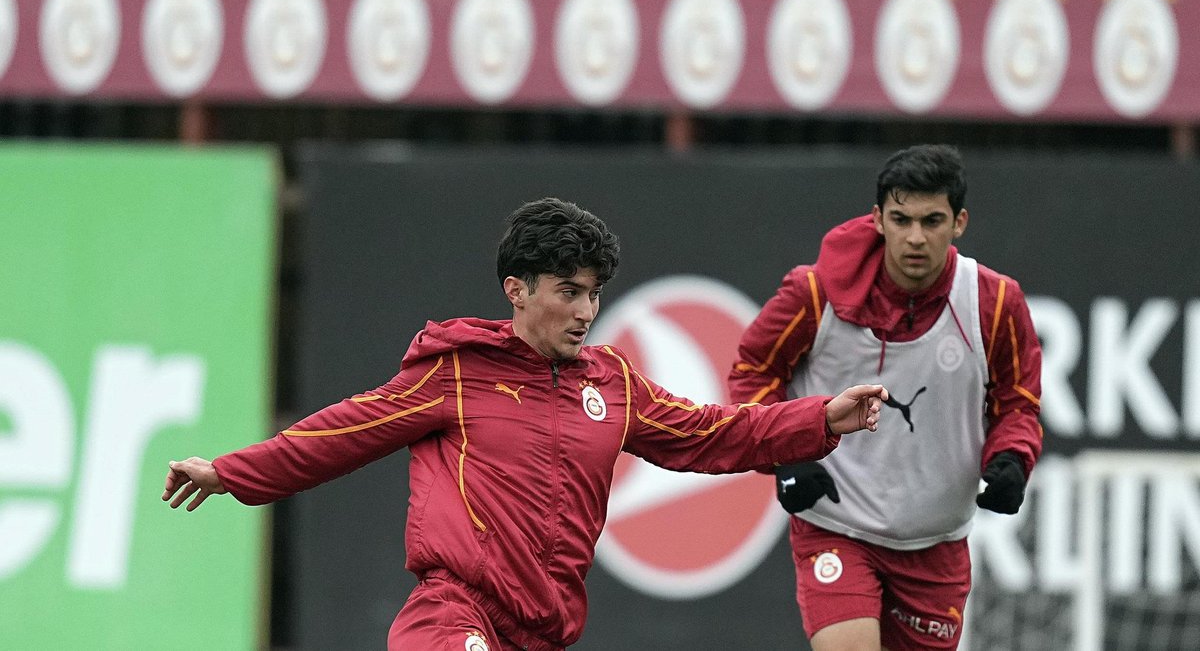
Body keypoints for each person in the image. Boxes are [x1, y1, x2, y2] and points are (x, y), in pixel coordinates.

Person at [163, 197, 889, 651]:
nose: (585, 311)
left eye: (593, 294)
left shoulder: (614, 383)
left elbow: (713, 434)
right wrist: (228, 471)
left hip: (545, 630)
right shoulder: (456, 371)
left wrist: (820, 417)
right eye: (568, 291)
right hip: (454, 615)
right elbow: (339, 433)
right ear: (517, 290)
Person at [728, 145, 1043, 651]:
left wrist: (1011, 458)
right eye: (901, 219)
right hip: (835, 524)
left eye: (932, 221)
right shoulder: (815, 292)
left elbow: (1018, 402)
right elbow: (753, 370)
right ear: (877, 219)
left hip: (936, 543)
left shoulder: (995, 302)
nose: (916, 237)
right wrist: (785, 454)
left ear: (959, 222)